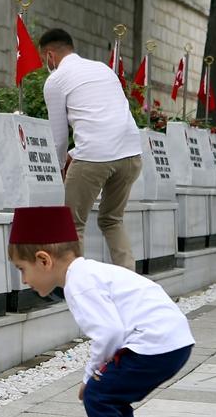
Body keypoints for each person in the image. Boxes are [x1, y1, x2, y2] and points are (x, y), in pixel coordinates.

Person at [7, 205, 194, 417]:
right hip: (172, 342)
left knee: (98, 395)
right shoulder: (90, 272)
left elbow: (108, 333)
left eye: (22, 269)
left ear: (43, 260)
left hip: (155, 344)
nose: (24, 281)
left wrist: (91, 375)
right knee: (112, 394)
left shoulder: (79, 285)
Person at [40, 28, 143, 270]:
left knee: (72, 224)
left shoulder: (56, 79)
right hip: (131, 153)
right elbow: (109, 115)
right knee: (112, 219)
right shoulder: (102, 69)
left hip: (94, 158)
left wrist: (57, 170)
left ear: (49, 55)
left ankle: (78, 286)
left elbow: (58, 136)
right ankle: (130, 281)